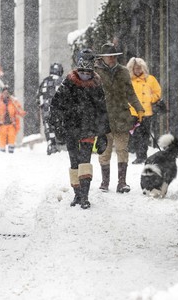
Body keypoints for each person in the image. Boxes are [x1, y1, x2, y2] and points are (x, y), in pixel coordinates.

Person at [48, 49, 110, 209]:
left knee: (84, 161)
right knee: (74, 162)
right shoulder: (68, 82)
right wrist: (57, 124)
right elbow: (55, 105)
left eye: (87, 70)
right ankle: (78, 194)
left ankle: (85, 196)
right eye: (82, 70)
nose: (85, 73)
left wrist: (103, 133)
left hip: (88, 128)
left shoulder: (96, 84)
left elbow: (102, 110)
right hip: (71, 128)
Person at [94, 42, 145, 193]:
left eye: (114, 56)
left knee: (123, 149)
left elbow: (130, 93)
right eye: (109, 56)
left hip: (122, 116)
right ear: (102, 57)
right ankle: (105, 182)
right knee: (105, 150)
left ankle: (122, 182)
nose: (112, 59)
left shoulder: (123, 71)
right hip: (103, 117)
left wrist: (139, 109)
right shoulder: (95, 72)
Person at [126, 57, 162, 164]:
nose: (138, 70)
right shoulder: (128, 81)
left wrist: (149, 99)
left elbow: (157, 93)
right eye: (135, 68)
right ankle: (137, 154)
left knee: (145, 135)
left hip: (147, 112)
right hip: (132, 112)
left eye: (139, 68)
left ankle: (142, 155)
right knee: (136, 134)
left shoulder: (150, 79)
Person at [36, 62, 64, 155]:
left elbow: (38, 98)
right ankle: (60, 145)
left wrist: (44, 106)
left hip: (46, 112)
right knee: (59, 127)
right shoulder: (62, 81)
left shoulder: (44, 82)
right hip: (58, 111)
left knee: (49, 128)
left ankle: (51, 145)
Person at [0, 85, 26, 153]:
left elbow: (19, 109)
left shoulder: (14, 102)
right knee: (2, 140)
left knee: (12, 138)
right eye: (4, 93)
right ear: (2, 93)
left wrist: (22, 113)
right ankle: (2, 153)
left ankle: (11, 153)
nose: (6, 94)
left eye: (7, 93)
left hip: (12, 124)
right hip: (1, 124)